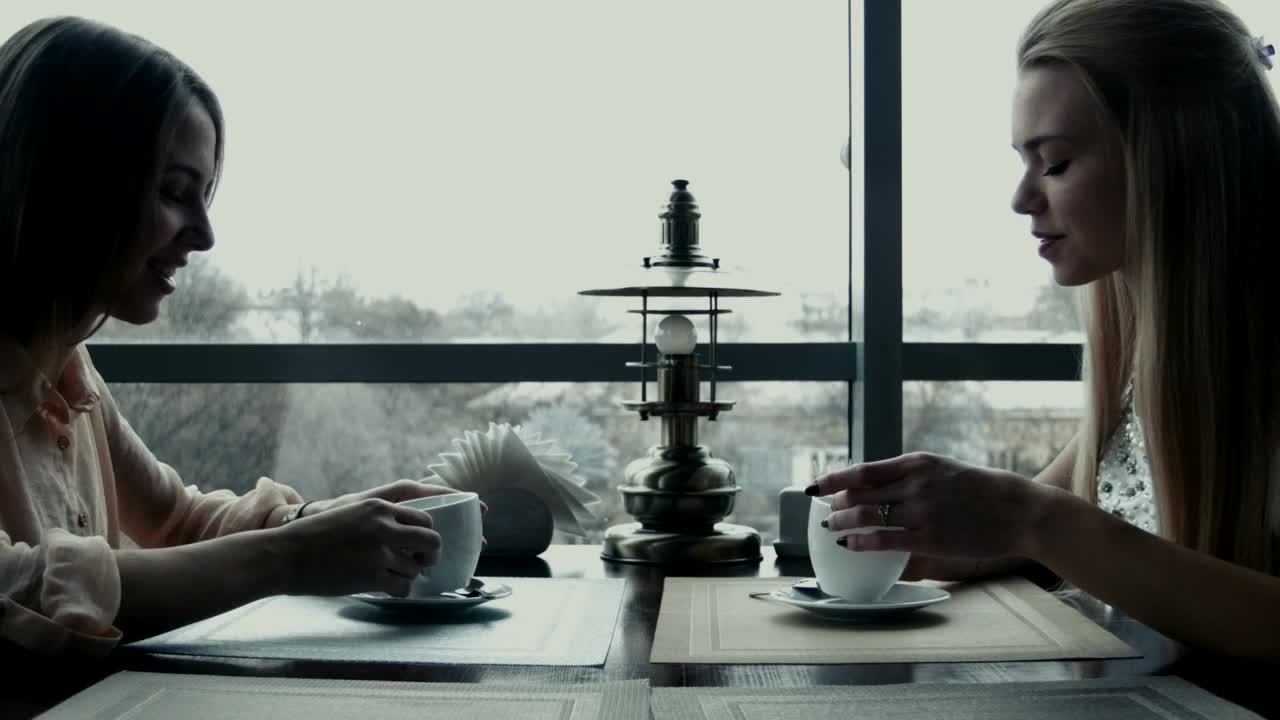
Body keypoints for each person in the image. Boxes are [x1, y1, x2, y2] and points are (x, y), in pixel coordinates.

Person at [810, 0, 1280, 662]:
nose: (1021, 198)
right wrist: (934, 534)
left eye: (1055, 163)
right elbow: (1031, 521)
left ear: (1175, 159)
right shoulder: (1143, 371)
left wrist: (1034, 521)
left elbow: (1044, 519)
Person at [0, 16, 466, 657]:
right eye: (174, 192)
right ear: (69, 184)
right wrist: (292, 555)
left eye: (204, 195)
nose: (205, 234)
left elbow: (176, 522)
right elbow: (17, 588)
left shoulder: (70, 373)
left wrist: (320, 521)